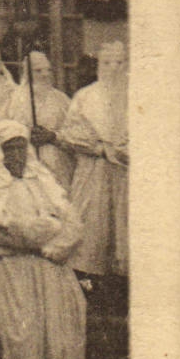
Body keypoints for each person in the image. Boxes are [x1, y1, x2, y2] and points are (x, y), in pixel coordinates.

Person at [0, 119, 87, 359]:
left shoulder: (43, 180)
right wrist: (45, 229)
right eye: (9, 149)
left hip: (51, 268)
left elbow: (72, 222)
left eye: (21, 147)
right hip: (13, 271)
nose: (16, 155)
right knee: (22, 337)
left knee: (61, 336)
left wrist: (56, 245)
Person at [59, 40, 128, 280]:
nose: (113, 68)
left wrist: (124, 149)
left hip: (124, 171)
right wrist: (98, 147)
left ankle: (121, 281)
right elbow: (69, 133)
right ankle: (88, 279)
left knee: (122, 223)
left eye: (119, 63)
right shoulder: (85, 96)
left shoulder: (135, 95)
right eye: (107, 63)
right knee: (91, 223)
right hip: (92, 170)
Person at [0, 51, 76, 189]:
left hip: (57, 165)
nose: (45, 75)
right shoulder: (14, 99)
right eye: (38, 71)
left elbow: (74, 132)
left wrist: (53, 136)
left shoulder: (62, 100)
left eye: (48, 70)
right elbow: (1, 130)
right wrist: (26, 135)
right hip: (26, 163)